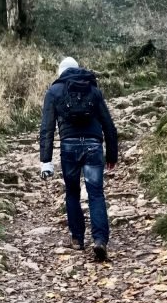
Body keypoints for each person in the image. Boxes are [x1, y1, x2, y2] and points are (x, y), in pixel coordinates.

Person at [39, 57, 118, 263]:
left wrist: (45, 161)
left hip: (69, 148)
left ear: (61, 72)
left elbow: (46, 129)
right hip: (93, 146)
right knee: (96, 194)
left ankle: (77, 239)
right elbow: (108, 125)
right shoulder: (93, 90)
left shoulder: (54, 91)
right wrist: (112, 154)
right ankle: (100, 240)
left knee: (72, 193)